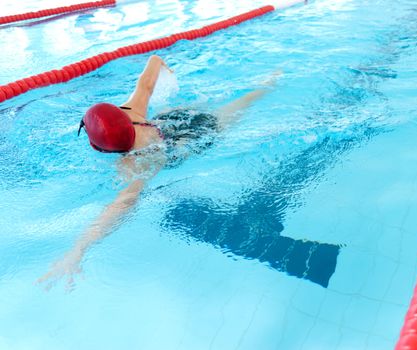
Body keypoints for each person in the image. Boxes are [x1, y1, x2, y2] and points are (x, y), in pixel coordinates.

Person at [38, 55, 279, 290]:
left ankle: (266, 87)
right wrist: (157, 61)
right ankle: (268, 84)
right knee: (239, 103)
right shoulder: (132, 110)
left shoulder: (134, 163)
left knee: (234, 111)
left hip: (190, 141)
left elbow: (122, 204)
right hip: (177, 119)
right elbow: (147, 78)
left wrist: (78, 249)